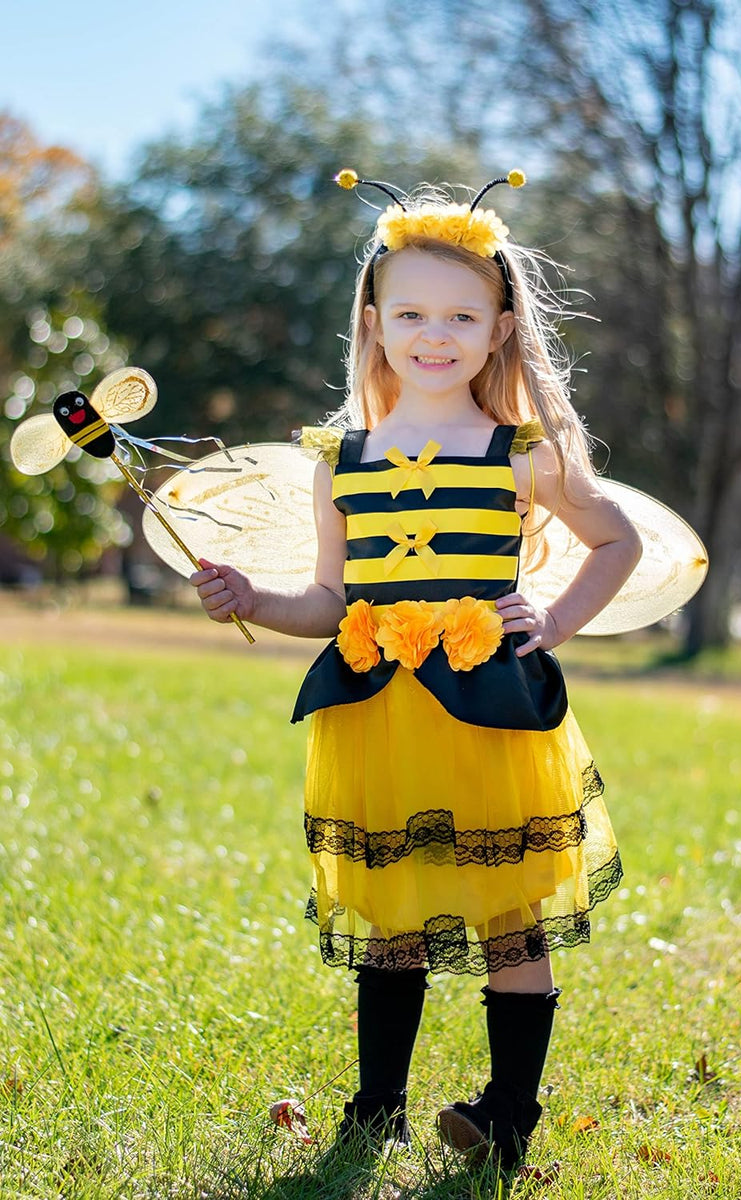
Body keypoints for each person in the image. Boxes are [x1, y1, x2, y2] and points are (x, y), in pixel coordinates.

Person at [190, 170, 643, 1169]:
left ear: (497, 329)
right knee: (390, 916)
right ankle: (374, 1109)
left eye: (458, 315)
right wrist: (252, 601)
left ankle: (506, 1118)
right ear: (373, 322)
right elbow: (328, 599)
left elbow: (617, 544)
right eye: (409, 314)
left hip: (488, 714)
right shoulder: (337, 459)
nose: (432, 334)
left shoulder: (518, 452)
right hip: (377, 715)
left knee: (509, 919)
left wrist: (552, 620)